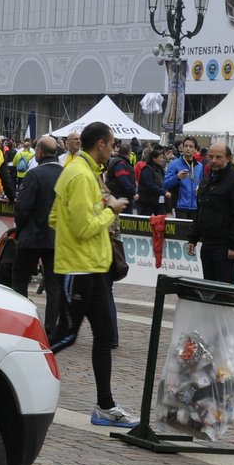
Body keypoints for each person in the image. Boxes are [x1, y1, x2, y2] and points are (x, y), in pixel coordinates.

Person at [48, 121, 136, 428]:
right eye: (111, 145)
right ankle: (11, 374)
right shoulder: (81, 175)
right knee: (65, 335)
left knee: (103, 336)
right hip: (81, 267)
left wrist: (101, 208)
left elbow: (56, 217)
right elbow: (83, 226)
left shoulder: (83, 172)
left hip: (92, 266)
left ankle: (105, 405)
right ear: (100, 144)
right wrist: (112, 210)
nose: (113, 150)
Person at [11, 136, 67, 344]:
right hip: (57, 237)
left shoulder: (34, 174)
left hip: (32, 236)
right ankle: (51, 329)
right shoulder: (66, 175)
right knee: (54, 283)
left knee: (20, 278)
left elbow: (23, 207)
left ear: (40, 152)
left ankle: (22, 322)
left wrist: (20, 227)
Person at [186, 140, 234, 285]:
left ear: (228, 158)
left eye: (219, 157)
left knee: (223, 290)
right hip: (207, 243)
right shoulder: (207, 180)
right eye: (211, 156)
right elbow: (200, 210)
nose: (214, 161)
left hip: (225, 246)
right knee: (208, 288)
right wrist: (193, 237)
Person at [163, 138, 202, 218]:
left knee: (193, 230)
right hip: (180, 206)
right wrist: (177, 177)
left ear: (195, 149)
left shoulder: (199, 166)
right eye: (186, 146)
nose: (188, 148)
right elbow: (165, 184)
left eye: (191, 146)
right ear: (182, 148)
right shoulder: (174, 164)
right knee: (181, 230)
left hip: (195, 206)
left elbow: (200, 183)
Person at [137, 146, 167, 216]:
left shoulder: (160, 169)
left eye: (163, 157)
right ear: (154, 158)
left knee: (162, 220)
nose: (162, 159)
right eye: (160, 157)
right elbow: (150, 184)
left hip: (159, 200)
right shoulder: (147, 169)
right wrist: (163, 192)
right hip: (147, 201)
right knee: (145, 221)